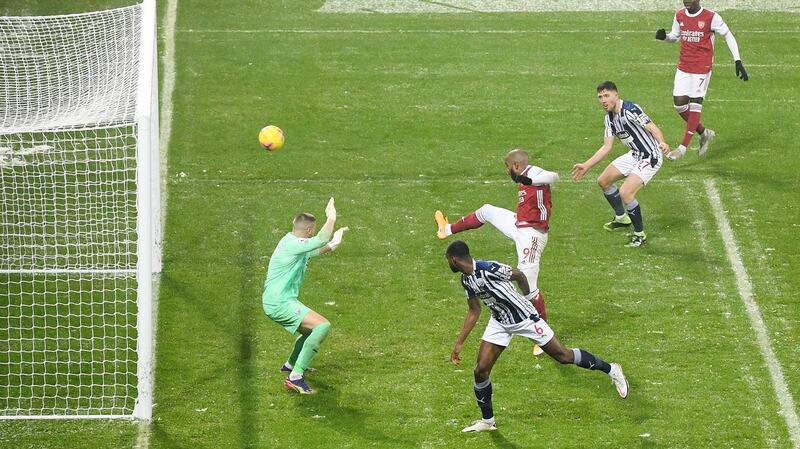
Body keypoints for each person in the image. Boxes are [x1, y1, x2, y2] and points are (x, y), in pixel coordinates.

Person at [444, 240, 628, 433]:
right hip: (499, 321)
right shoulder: (466, 280)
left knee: (563, 356)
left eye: (448, 259)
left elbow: (518, 274)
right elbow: (474, 311)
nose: (448, 263)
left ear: (455, 259)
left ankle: (612, 369)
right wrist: (459, 344)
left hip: (525, 318)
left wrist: (529, 297)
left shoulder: (488, 268)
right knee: (480, 371)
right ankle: (488, 421)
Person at [435, 149, 557, 355]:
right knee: (487, 211)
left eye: (507, 167)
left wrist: (527, 179)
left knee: (529, 288)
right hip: (520, 225)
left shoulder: (535, 173)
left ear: (516, 166)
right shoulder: (524, 174)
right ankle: (446, 229)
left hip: (533, 235)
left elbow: (554, 176)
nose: (506, 170)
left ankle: (543, 337)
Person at [262, 198, 349, 394]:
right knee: (322, 326)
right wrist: (332, 217)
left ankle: (291, 364)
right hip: (279, 302)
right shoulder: (293, 244)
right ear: (309, 230)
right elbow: (320, 240)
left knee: (310, 330)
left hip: (277, 300)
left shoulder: (292, 244)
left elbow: (316, 250)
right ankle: (295, 377)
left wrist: (335, 242)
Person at [571, 81, 669, 248]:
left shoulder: (630, 109)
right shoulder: (609, 118)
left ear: (617, 95)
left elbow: (651, 126)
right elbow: (607, 147)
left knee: (625, 193)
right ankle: (622, 218)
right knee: (603, 181)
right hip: (634, 154)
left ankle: (639, 235)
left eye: (606, 95)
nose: (603, 100)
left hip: (649, 156)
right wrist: (587, 165)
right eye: (600, 97)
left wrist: (662, 142)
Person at [656, 0, 748, 159]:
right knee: (679, 106)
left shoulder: (711, 17)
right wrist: (665, 37)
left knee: (695, 104)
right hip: (684, 66)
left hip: (702, 68)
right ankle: (704, 133)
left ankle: (682, 148)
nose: (687, 1)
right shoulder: (679, 15)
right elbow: (675, 36)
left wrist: (737, 60)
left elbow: (728, 35)